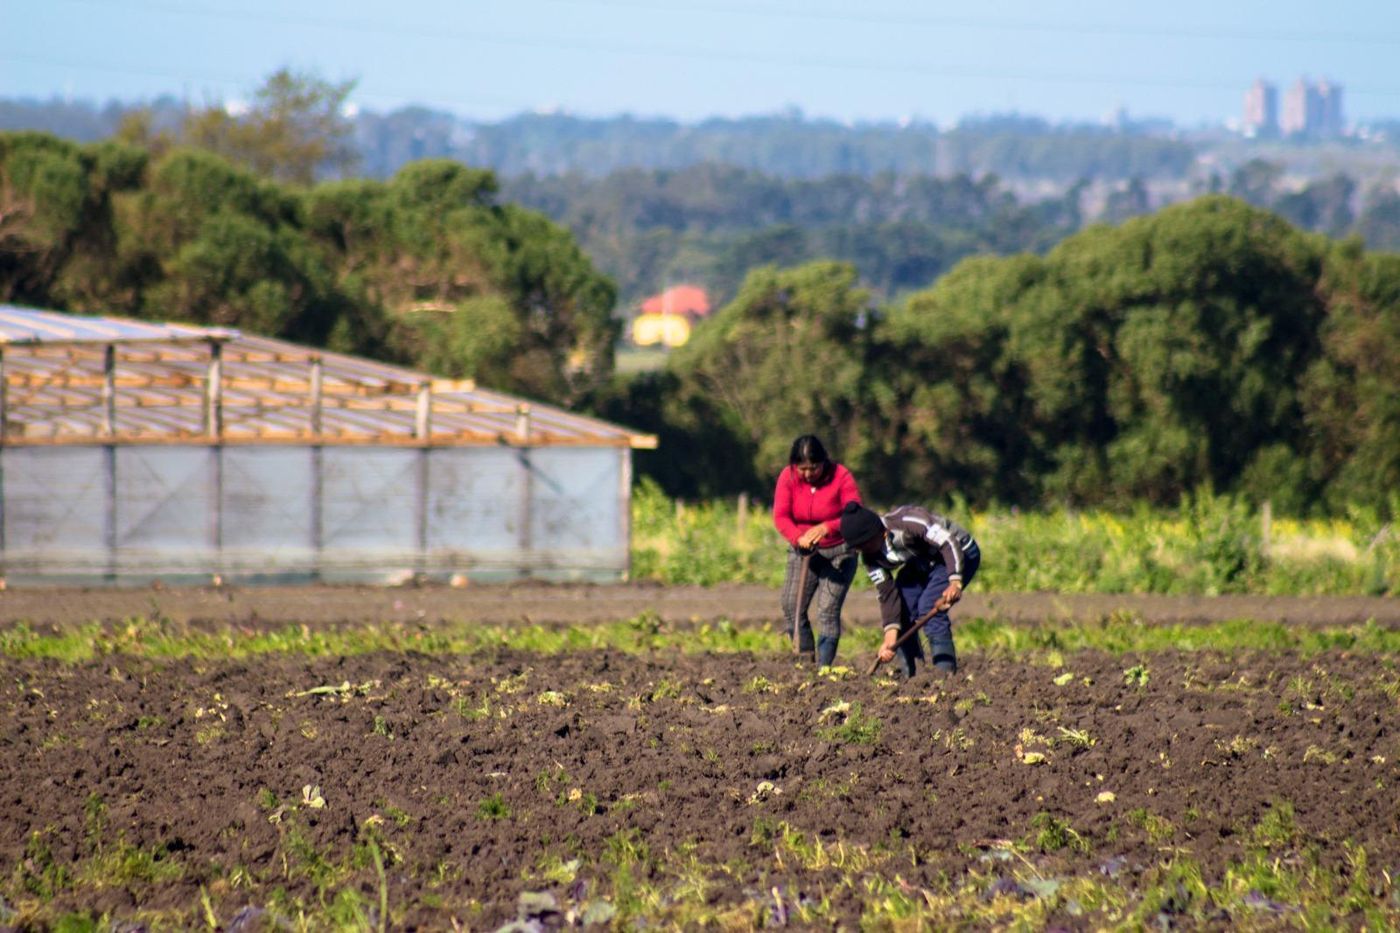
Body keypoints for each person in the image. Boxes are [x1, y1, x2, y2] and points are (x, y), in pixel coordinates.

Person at [838, 500, 982, 677]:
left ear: (881, 533)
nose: (863, 552)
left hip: (959, 552)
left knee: (930, 607)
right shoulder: (869, 558)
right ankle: (912, 675)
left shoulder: (909, 522)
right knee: (902, 609)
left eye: (865, 545)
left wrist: (955, 581)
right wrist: (890, 637)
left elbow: (948, 543)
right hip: (924, 560)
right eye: (858, 548)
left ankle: (945, 674)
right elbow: (887, 594)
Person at [772, 435, 863, 666]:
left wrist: (827, 527)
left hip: (840, 551)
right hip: (804, 550)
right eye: (802, 469)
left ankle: (824, 667)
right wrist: (798, 537)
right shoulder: (787, 477)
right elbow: (781, 516)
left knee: (827, 610)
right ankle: (805, 659)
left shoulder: (841, 476)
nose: (808, 474)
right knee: (791, 605)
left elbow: (854, 512)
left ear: (824, 462)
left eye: (813, 468)